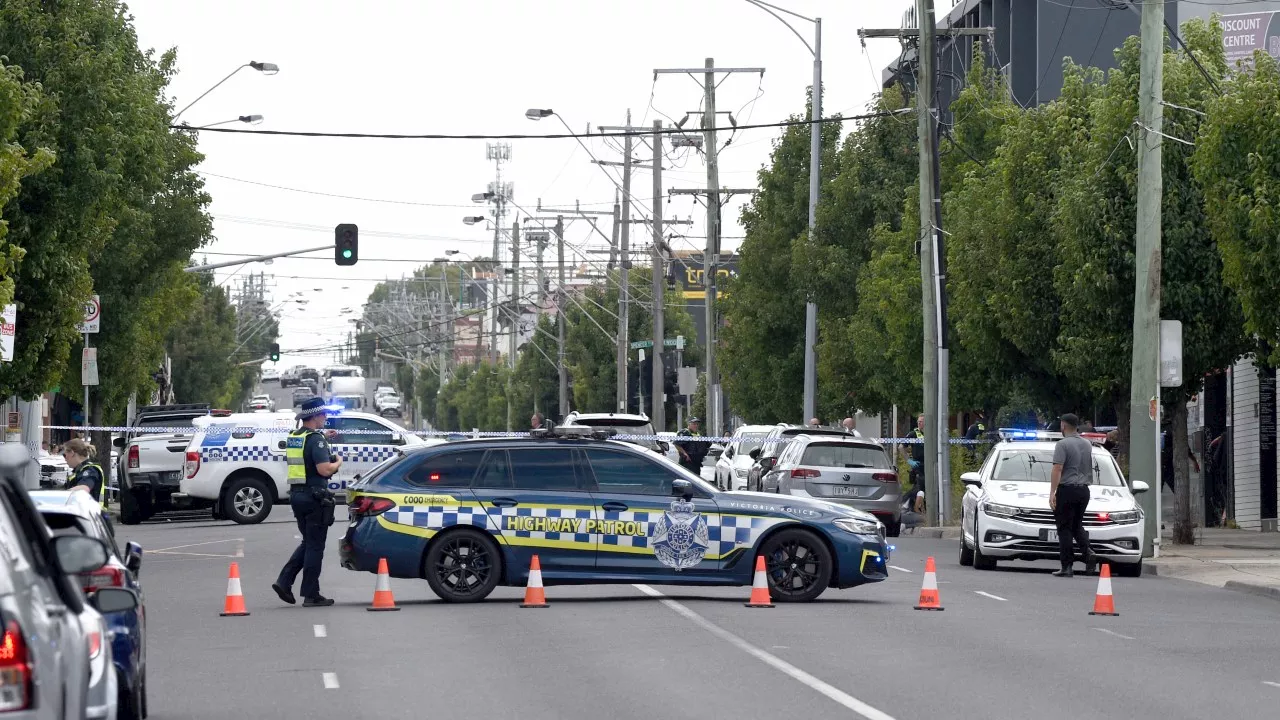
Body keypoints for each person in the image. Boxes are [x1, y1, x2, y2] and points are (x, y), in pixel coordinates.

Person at [273, 398, 342, 607]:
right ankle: (311, 594)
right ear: (314, 417)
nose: (326, 418)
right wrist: (338, 462)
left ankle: (284, 582)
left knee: (308, 542)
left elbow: (307, 452)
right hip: (314, 498)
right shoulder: (316, 440)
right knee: (315, 547)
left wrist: (323, 438)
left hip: (297, 496)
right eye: (323, 415)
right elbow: (323, 469)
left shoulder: (296, 436)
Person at [1050, 413, 1098, 578]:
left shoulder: (1062, 445)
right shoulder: (1087, 444)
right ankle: (1088, 553)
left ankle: (1067, 566)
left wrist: (1052, 492)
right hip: (1083, 490)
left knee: (1064, 528)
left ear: (1063, 425)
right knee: (1076, 525)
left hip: (1067, 489)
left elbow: (1057, 468)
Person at [62, 438, 105, 508]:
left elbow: (84, 489)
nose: (65, 458)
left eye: (65, 455)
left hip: (89, 515)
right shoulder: (79, 471)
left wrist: (61, 495)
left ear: (72, 453)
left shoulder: (89, 470)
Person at [899, 415, 926, 504]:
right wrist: (909, 461)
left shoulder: (931, 433)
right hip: (918, 466)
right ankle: (904, 503)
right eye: (918, 421)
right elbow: (901, 447)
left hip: (930, 466)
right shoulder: (913, 434)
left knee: (925, 489)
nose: (919, 423)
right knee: (919, 488)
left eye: (921, 421)